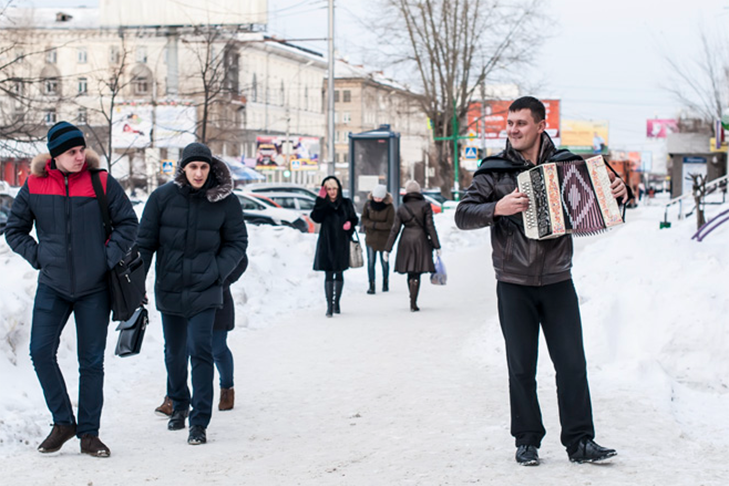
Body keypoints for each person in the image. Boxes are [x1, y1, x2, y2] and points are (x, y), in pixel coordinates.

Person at [455, 97, 627, 466]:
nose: (513, 129)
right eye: (510, 123)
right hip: (513, 282)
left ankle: (580, 442)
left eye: (521, 123)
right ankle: (527, 440)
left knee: (572, 364)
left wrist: (619, 192)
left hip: (557, 280)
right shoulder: (493, 171)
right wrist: (496, 208)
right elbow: (462, 215)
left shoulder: (566, 164)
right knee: (521, 366)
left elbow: (606, 194)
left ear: (539, 125)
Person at [4, 121, 138, 457]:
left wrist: (105, 258)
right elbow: (15, 229)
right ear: (55, 156)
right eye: (71, 152)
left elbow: (128, 223)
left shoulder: (101, 181)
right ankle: (63, 422)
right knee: (40, 352)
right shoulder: (34, 184)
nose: (80, 156)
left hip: (94, 289)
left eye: (81, 150)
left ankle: (89, 434)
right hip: (53, 285)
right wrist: (39, 257)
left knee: (91, 362)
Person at [137, 142, 247, 446]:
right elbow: (144, 243)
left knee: (201, 351)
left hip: (205, 290)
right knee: (174, 353)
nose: (199, 173)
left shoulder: (225, 201)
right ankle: (180, 403)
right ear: (183, 168)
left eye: (204, 167)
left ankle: (199, 422)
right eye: (193, 167)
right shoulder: (161, 198)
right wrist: (136, 284)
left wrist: (215, 271)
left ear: (210, 168)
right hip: (170, 288)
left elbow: (237, 243)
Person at [153, 254, 249, 416]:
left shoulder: (218, 229)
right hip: (184, 297)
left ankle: (227, 388)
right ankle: (173, 398)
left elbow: (240, 259)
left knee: (217, 348)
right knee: (180, 351)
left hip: (215, 297)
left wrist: (220, 280)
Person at [383, 180, 441, 312]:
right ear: (419, 191)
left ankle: (412, 298)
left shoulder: (402, 207)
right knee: (417, 271)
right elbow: (430, 227)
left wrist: (388, 249)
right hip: (421, 239)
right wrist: (437, 246)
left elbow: (395, 229)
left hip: (406, 240)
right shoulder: (425, 205)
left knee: (410, 270)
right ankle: (414, 301)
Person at [310, 176, 358, 317]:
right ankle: (329, 305)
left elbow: (354, 219)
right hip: (327, 242)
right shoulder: (323, 204)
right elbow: (316, 217)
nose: (332, 192)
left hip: (342, 242)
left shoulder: (346, 203)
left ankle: (336, 302)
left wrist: (350, 224)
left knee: (339, 272)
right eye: (329, 189)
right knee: (328, 273)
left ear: (339, 189)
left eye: (334, 189)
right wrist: (320, 200)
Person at [360, 184, 395, 294]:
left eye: (380, 198)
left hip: (384, 239)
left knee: (384, 262)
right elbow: (364, 219)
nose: (377, 199)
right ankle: (371, 285)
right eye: (376, 197)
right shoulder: (368, 205)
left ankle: (385, 282)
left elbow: (390, 224)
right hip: (370, 238)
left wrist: (374, 225)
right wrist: (373, 225)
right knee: (371, 262)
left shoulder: (389, 207)